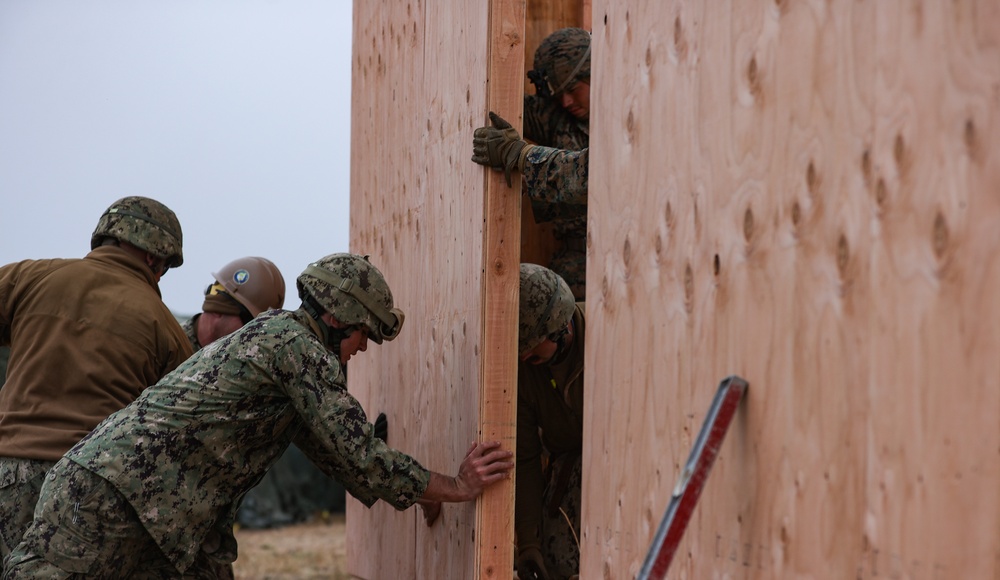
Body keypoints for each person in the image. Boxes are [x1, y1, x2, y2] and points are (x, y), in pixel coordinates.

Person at [3, 253, 514, 578]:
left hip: (146, 511)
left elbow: (337, 457)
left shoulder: (279, 344)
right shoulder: (296, 347)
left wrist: (423, 494)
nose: (362, 349)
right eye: (363, 334)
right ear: (336, 318)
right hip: (110, 501)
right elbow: (361, 456)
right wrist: (457, 485)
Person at [0, 196, 192, 562]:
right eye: (165, 266)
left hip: (8, 470)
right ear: (153, 257)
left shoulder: (30, 276)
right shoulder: (164, 325)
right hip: (90, 486)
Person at [472, 27, 592, 300]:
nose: (566, 101)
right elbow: (503, 104)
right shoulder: (561, 115)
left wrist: (522, 157)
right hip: (574, 266)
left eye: (572, 89)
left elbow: (589, 176)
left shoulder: (627, 121)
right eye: (558, 94)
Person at [514, 263, 585, 580]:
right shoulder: (526, 371)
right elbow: (526, 456)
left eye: (530, 349)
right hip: (566, 467)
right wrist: (528, 544)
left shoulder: (613, 329)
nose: (523, 359)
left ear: (561, 328)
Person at [183, 256, 287, 351]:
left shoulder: (244, 363)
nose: (252, 334)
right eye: (250, 324)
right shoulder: (171, 348)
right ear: (219, 310)